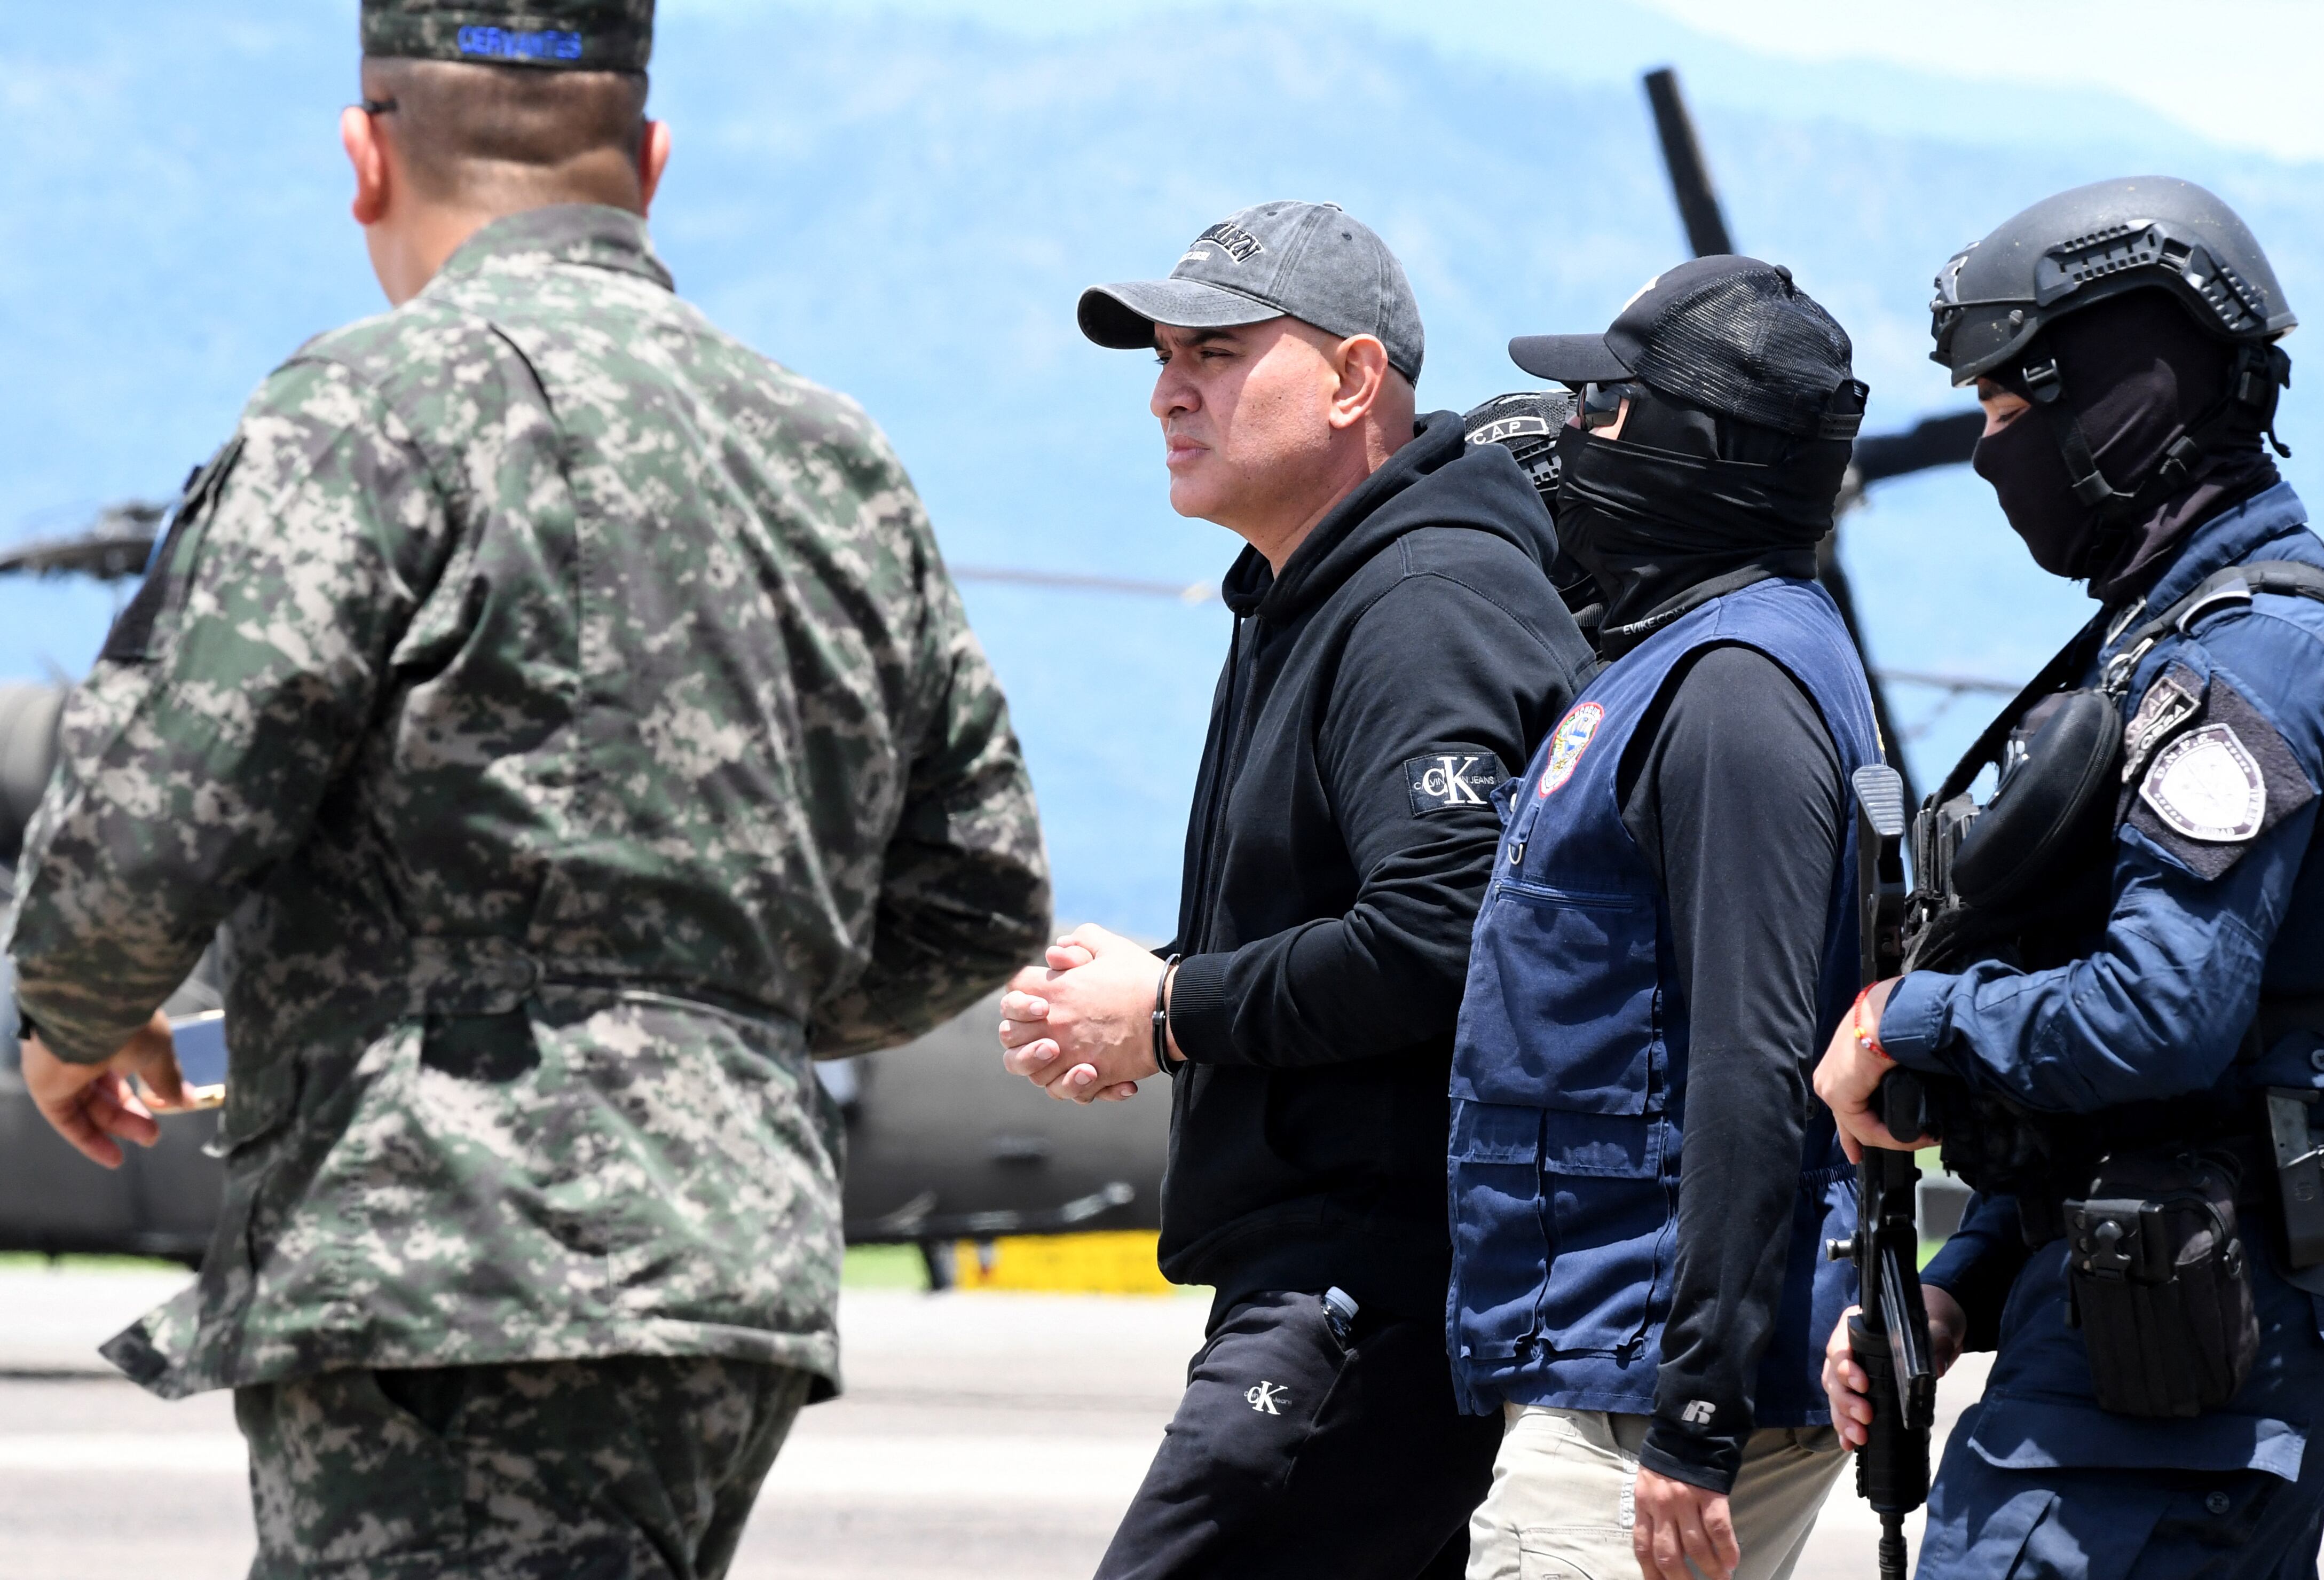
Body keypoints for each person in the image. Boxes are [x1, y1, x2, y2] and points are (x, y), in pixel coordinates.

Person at [6, 3, 1050, 1574]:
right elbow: (980, 890)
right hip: (734, 1267)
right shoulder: (836, 455)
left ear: (366, 158)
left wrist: (74, 1020)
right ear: (649, 161)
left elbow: (153, 815)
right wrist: (699, 1032)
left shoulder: (368, 411)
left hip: (446, 1258)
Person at [996, 199, 1591, 1578]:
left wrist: (1171, 1013)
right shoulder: (1314, 592)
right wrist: (1139, 996)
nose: (1164, 390)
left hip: (1368, 1288)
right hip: (1342, 1287)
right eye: (1158, 355)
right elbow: (1371, 909)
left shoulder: (1419, 599)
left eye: (1211, 350)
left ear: (1350, 380)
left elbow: (1445, 935)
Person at [1817, 176, 2324, 1579]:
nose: (1992, 453)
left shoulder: (2241, 665)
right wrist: (1959, 1287)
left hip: (2175, 1374)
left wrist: (1905, 1023)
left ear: (2119, 399)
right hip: (2139, 1330)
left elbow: (2153, 1021)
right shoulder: (2160, 641)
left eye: (2007, 413)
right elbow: (2180, 1089)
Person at [1449, 257, 1880, 1580]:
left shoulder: (1733, 693)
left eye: (1605, 404)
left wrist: (1697, 1407)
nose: (1572, 431)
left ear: (1698, 448)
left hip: (1642, 1393)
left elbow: (1753, 1065)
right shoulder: (1676, 659)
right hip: (1608, 1354)